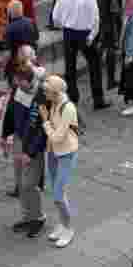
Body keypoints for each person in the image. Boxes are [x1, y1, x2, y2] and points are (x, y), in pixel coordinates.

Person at [52, 0, 103, 108]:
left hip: (69, 32)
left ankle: (73, 97)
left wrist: (64, 25)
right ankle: (98, 99)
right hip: (84, 33)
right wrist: (92, 35)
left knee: (70, 67)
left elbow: (55, 17)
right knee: (94, 65)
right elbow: (96, 18)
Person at [9, 59, 49, 238]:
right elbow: (13, 113)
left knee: (29, 184)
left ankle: (38, 218)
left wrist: (30, 151)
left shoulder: (41, 95)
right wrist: (7, 134)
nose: (18, 86)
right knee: (21, 183)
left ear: (28, 80)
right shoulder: (19, 89)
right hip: (19, 140)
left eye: (20, 83)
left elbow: (42, 128)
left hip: (33, 146)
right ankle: (27, 217)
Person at [41, 75, 79, 248]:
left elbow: (57, 137)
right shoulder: (54, 103)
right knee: (57, 194)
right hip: (53, 153)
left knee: (58, 194)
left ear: (55, 92)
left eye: (46, 91)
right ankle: (62, 224)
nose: (44, 93)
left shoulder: (67, 107)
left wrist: (45, 122)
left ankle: (69, 228)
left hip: (66, 154)